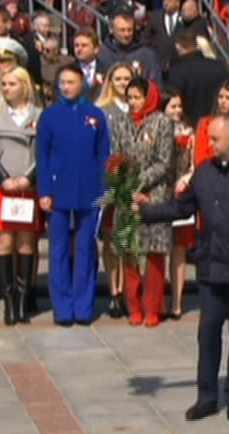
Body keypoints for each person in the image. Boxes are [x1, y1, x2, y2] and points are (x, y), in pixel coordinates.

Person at [133, 113, 229, 421]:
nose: (209, 145)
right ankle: (207, 395)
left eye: (214, 139)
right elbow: (182, 207)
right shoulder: (204, 173)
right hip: (212, 269)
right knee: (208, 334)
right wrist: (147, 211)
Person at [36, 64, 110, 326]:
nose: (65, 86)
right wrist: (44, 190)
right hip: (58, 190)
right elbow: (42, 156)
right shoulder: (50, 116)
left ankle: (83, 306)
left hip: (89, 191)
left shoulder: (95, 115)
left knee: (85, 249)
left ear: (83, 83)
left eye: (71, 82)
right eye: (62, 82)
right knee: (58, 250)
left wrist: (105, 188)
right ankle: (63, 307)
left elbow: (104, 155)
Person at [110, 77, 175, 326]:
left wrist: (140, 184)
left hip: (154, 194)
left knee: (155, 255)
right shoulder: (119, 122)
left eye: (138, 97)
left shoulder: (162, 122)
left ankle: (153, 307)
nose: (134, 103)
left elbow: (164, 162)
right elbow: (116, 157)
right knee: (130, 254)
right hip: (128, 195)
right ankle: (133, 306)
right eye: (130, 98)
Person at [0, 66, 43, 326]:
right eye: (4, 85)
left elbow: (43, 152)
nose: (6, 89)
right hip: (1, 186)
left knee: (26, 244)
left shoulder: (39, 115)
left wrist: (28, 178)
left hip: (26, 187)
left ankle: (22, 299)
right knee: (4, 242)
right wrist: (3, 177)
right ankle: (8, 300)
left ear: (24, 86)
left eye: (12, 84)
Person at [95, 61, 133, 318]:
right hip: (109, 178)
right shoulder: (101, 110)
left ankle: (130, 290)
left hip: (132, 179)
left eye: (126, 79)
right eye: (118, 79)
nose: (122, 84)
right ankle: (114, 291)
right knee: (110, 237)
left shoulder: (138, 107)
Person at [163, 88, 194, 319]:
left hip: (182, 191)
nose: (177, 111)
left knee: (179, 249)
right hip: (160, 191)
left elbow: (194, 162)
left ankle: (177, 300)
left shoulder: (189, 131)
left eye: (179, 106)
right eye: (172, 106)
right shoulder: (155, 128)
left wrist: (187, 178)